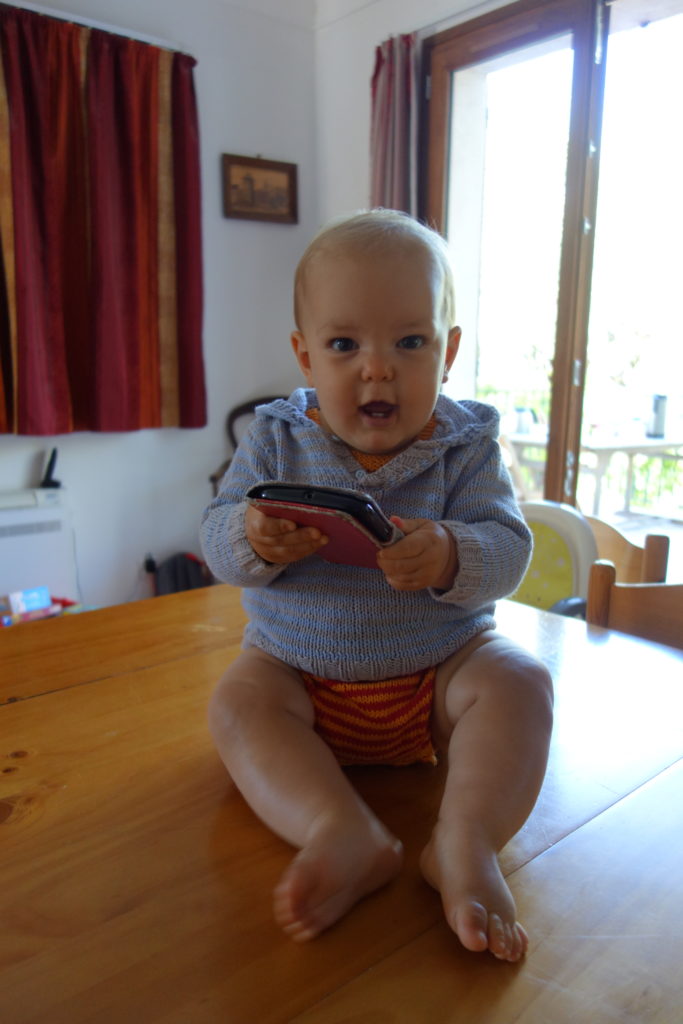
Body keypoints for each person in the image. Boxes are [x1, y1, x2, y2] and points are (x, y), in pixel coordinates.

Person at [200, 209, 553, 963]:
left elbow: (509, 547)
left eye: (410, 342)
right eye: (343, 345)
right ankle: (339, 828)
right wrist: (250, 538)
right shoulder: (273, 438)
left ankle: (464, 840)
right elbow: (217, 534)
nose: (377, 368)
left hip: (438, 680)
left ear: (448, 352)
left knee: (521, 681)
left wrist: (454, 552)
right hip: (296, 676)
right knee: (236, 703)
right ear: (304, 356)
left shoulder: (466, 446)